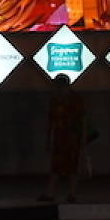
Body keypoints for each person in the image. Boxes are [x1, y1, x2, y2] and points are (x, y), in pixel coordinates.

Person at [40, 74, 84, 203]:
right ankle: (53, 193)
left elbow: (82, 120)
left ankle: (67, 193)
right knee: (57, 166)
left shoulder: (74, 99)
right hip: (61, 138)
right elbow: (52, 122)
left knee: (70, 167)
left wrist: (81, 139)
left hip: (71, 138)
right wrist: (49, 138)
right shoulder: (57, 100)